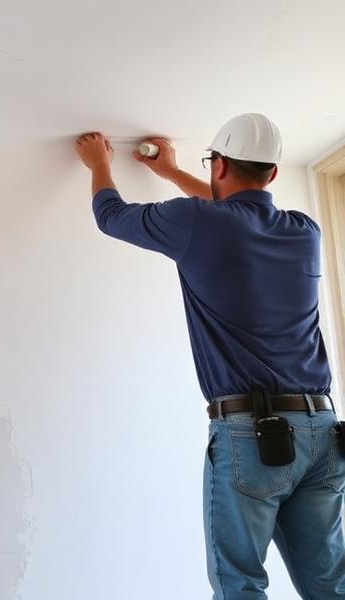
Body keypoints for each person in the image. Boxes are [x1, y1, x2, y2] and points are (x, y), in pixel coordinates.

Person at [75, 113, 345, 598]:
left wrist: (99, 163)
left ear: (218, 165)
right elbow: (233, 217)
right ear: (274, 174)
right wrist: (175, 174)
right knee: (329, 583)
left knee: (238, 582)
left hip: (253, 435)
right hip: (323, 432)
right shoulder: (305, 231)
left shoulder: (195, 221)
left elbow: (110, 217)